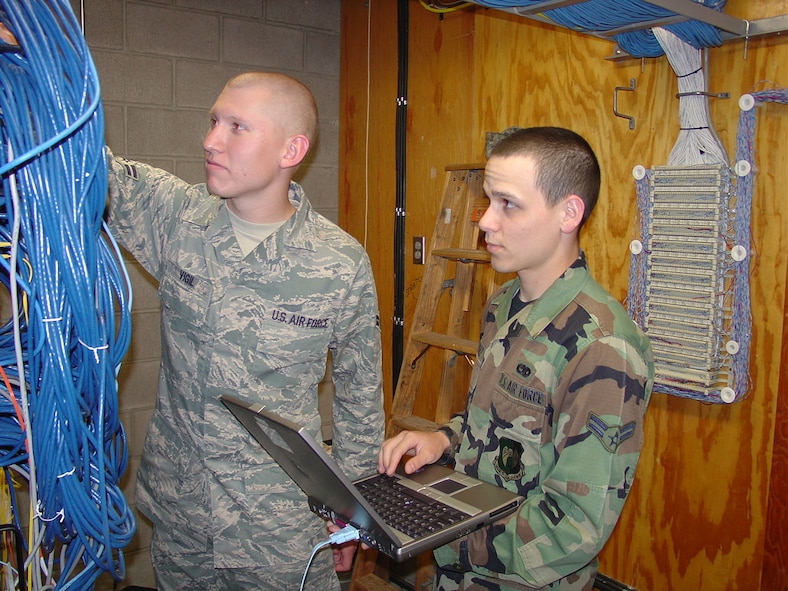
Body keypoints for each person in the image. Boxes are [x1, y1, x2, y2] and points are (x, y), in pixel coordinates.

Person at [105, 72, 384, 590]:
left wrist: (354, 514)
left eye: (238, 127)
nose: (211, 140)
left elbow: (359, 395)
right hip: (183, 516)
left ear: (291, 149)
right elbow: (79, 163)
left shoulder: (339, 262)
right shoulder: (178, 217)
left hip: (279, 530)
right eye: (214, 121)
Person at [378, 127, 654, 591]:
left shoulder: (604, 347)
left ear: (568, 213)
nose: (485, 221)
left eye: (508, 204)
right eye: (487, 201)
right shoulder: (504, 304)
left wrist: (434, 536)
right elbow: (493, 423)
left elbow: (573, 528)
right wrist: (443, 440)